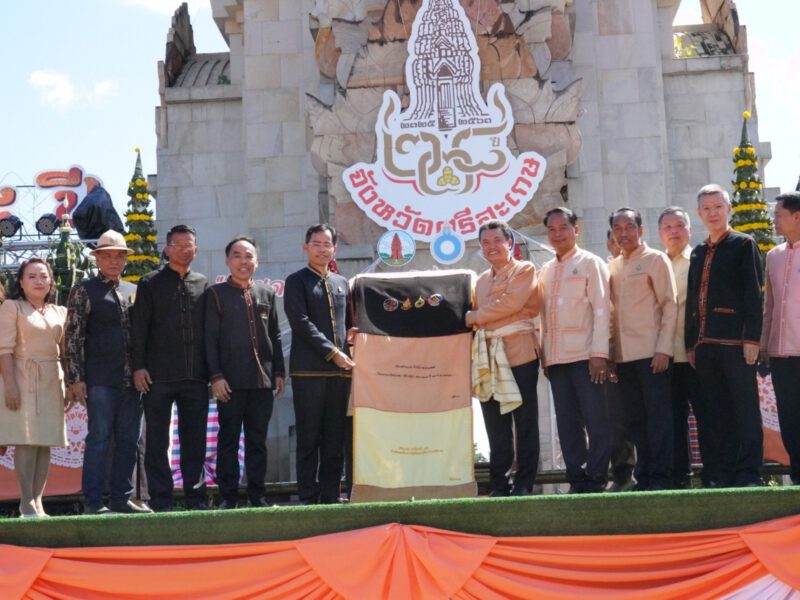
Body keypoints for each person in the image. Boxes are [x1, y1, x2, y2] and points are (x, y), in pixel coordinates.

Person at [66, 230, 152, 514]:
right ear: (98, 258)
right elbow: (74, 337)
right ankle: (92, 502)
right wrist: (75, 378)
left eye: (119, 256)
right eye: (108, 256)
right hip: (100, 378)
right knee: (99, 439)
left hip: (132, 380)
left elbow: (142, 336)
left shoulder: (133, 289)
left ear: (125, 259)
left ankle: (120, 498)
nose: (114, 261)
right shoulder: (84, 289)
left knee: (128, 440)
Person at [686, 184, 764, 487]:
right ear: (699, 214)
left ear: (728, 209)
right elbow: (692, 300)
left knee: (744, 409)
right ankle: (722, 473)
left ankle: (749, 473)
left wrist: (752, 339)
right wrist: (690, 342)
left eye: (717, 206)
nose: (712, 213)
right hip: (704, 347)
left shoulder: (744, 244)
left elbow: (753, 296)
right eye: (706, 208)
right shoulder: (698, 251)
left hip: (736, 344)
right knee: (716, 412)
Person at [132, 224, 210, 511]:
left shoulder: (204, 283)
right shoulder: (149, 282)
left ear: (196, 250)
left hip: (195, 376)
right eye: (178, 244)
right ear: (167, 249)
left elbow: (210, 332)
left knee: (194, 440)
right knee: (156, 440)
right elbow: (138, 328)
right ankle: (160, 499)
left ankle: (196, 498)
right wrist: (138, 367)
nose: (184, 249)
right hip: (157, 376)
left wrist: (212, 373)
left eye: (189, 244)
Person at [205, 236, 285, 509]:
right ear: (228, 261)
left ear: (257, 261)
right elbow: (210, 338)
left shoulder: (267, 293)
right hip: (229, 382)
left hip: (261, 381)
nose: (243, 261)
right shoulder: (215, 294)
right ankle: (229, 497)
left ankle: (257, 496)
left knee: (257, 442)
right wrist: (215, 376)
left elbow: (274, 334)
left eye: (248, 256)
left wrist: (278, 372)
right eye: (237, 256)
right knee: (228, 440)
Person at [465, 220, 541, 496]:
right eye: (485, 242)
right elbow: (496, 311)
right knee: (495, 423)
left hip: (520, 353)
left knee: (525, 422)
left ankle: (524, 483)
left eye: (497, 241)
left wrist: (475, 317)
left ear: (509, 243)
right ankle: (500, 484)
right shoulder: (481, 280)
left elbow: (513, 304)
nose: (491, 247)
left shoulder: (525, 269)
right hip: (488, 357)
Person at [538, 208, 611, 493]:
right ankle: (576, 478)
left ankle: (596, 478)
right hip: (556, 359)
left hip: (586, 356)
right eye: (552, 230)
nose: (558, 234)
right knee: (567, 423)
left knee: (596, 420)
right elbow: (542, 317)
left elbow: (602, 310)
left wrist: (599, 353)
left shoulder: (590, 263)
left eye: (563, 228)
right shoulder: (547, 270)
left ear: (575, 230)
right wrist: (545, 356)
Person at [284, 224, 354, 505]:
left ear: (334, 249)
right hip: (308, 371)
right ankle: (308, 496)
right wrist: (333, 352)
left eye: (327, 245)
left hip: (340, 373)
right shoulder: (296, 281)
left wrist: (352, 336)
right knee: (309, 436)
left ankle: (330, 495)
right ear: (305, 247)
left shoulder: (341, 282)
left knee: (335, 437)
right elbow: (301, 323)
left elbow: (350, 321)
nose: (322, 249)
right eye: (316, 244)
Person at [609, 208, 677, 491]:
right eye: (618, 228)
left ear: (640, 229)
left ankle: (663, 477)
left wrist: (663, 349)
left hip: (652, 355)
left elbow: (669, 306)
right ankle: (645, 476)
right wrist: (611, 355)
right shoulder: (612, 266)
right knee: (634, 420)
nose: (623, 233)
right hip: (623, 358)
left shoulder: (655, 259)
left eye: (629, 226)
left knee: (658, 419)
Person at [0, 259, 70, 517]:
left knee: (45, 442)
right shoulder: (12, 307)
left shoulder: (59, 311)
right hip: (22, 377)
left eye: (44, 276)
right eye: (32, 276)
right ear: (20, 282)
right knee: (27, 441)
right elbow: (4, 350)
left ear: (51, 281)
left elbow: (65, 351)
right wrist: (10, 386)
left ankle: (38, 501)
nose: (39, 280)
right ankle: (25, 500)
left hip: (53, 378)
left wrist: (70, 383)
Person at [658, 207, 715, 488]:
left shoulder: (699, 260)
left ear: (689, 230)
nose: (674, 231)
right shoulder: (656, 264)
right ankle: (679, 477)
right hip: (665, 357)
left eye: (679, 225)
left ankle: (713, 473)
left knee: (707, 416)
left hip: (695, 354)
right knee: (672, 419)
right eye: (668, 227)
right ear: (660, 233)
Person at [761, 191, 800, 485]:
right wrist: (764, 344)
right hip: (780, 354)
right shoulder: (773, 257)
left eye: (778, 214)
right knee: (789, 418)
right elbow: (769, 306)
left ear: (797, 216)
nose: (774, 219)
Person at [604, 228, 635, 492]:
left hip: (642, 353)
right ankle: (622, 474)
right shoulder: (601, 271)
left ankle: (652, 472)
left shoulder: (647, 264)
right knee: (615, 420)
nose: (620, 243)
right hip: (611, 356)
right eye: (614, 240)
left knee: (645, 416)